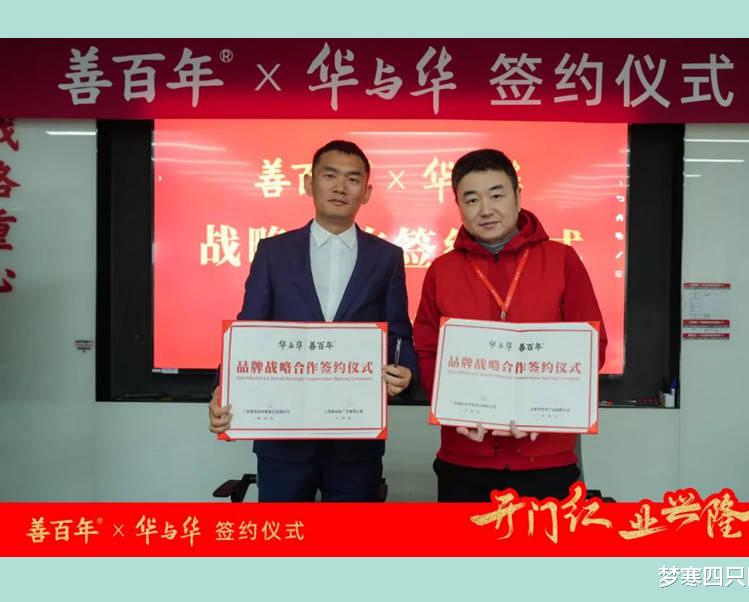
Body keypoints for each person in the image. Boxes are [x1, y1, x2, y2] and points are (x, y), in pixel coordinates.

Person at [209, 140, 417, 502]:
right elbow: (249, 330)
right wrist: (222, 387)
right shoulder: (273, 252)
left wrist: (406, 371)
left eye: (353, 179)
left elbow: (399, 334)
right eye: (330, 176)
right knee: (284, 535)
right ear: (309, 183)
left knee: (352, 536)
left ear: (366, 193)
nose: (340, 187)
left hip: (356, 438)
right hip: (283, 438)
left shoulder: (387, 257)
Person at [413, 148, 607, 502]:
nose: (485, 209)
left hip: (545, 456)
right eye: (471, 199)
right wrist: (454, 410)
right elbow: (426, 349)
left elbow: (592, 345)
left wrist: (544, 410)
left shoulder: (562, 260)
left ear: (518, 196)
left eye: (497, 195)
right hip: (464, 456)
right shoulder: (442, 270)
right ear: (458, 205)